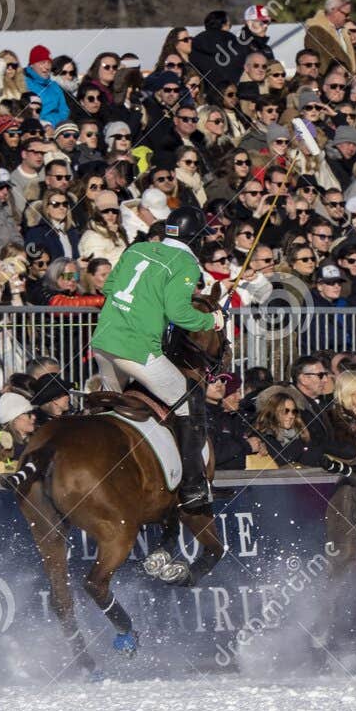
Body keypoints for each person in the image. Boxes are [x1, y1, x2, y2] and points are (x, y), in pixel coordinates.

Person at [85, 207, 223, 513]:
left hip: (103, 342)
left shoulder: (138, 248)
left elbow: (110, 287)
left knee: (109, 405)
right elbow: (179, 314)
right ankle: (193, 487)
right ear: (196, 239)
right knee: (189, 400)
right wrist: (211, 320)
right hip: (135, 350)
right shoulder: (186, 264)